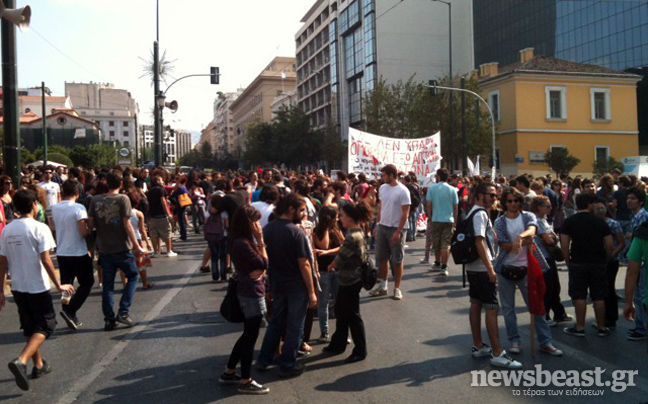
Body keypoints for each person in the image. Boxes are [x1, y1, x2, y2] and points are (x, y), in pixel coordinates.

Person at [0, 189, 74, 391]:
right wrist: (59, 285)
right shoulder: (40, 228)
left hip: (17, 287)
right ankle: (22, 360)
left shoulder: (7, 229)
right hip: (37, 286)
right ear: (34, 205)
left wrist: (0, 290)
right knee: (46, 325)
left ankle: (38, 365)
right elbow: (46, 259)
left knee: (30, 326)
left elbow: (2, 262)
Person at [493, 188, 563, 356]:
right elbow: (504, 245)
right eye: (509, 201)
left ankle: (545, 342)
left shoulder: (527, 216)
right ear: (504, 203)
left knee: (537, 306)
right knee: (509, 309)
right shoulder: (499, 222)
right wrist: (524, 242)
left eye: (516, 200)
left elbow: (533, 230)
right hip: (506, 269)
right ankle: (514, 341)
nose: (513, 204)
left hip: (527, 268)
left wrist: (519, 238)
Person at [256, 194, 317, 378]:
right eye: (301, 210)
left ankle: (264, 360)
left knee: (276, 322)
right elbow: (304, 264)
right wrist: (312, 291)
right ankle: (287, 363)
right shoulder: (295, 232)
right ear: (291, 209)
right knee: (294, 325)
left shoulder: (268, 229)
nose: (304, 213)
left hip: (277, 283)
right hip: (296, 285)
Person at [464, 183, 521, 369]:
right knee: (491, 308)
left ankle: (478, 345)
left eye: (496, 196)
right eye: (492, 195)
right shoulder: (479, 214)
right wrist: (490, 268)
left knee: (475, 303)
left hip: (474, 267)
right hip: (481, 268)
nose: (495, 199)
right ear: (481, 195)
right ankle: (497, 352)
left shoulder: (474, 212)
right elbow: (479, 241)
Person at [219, 205, 270, 395]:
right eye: (255, 221)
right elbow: (264, 261)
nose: (258, 225)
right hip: (251, 292)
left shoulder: (240, 240)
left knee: (248, 334)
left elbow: (261, 265)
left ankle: (229, 371)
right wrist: (261, 241)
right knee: (251, 336)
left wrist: (262, 266)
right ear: (247, 222)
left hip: (249, 289)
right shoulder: (242, 243)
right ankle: (245, 379)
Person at [88, 172, 145, 331]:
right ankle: (123, 312)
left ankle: (108, 319)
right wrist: (136, 245)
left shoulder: (95, 199)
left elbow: (90, 223)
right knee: (133, 276)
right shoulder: (123, 199)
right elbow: (127, 224)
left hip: (104, 248)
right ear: (120, 184)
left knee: (108, 285)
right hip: (122, 247)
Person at [322, 201, 372, 363]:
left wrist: (329, 266)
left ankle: (360, 350)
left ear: (350, 217)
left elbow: (339, 260)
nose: (339, 219)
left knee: (352, 315)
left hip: (351, 280)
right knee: (342, 311)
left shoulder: (352, 237)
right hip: (349, 279)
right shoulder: (356, 232)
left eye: (342, 216)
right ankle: (338, 343)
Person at [560, 192, 613, 337]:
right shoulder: (600, 221)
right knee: (599, 296)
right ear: (589, 204)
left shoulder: (569, 221)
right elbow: (609, 244)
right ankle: (601, 327)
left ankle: (580, 327)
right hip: (598, 262)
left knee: (579, 295)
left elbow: (564, 246)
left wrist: (568, 262)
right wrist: (606, 259)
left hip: (578, 261)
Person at [51, 180, 93, 330]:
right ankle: (70, 310)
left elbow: (52, 226)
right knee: (87, 283)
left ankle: (69, 314)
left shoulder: (54, 208)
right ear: (77, 193)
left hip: (62, 251)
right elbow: (83, 232)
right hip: (78, 251)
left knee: (67, 285)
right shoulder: (78, 207)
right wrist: (91, 228)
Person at [369, 164, 411, 300]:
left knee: (397, 259)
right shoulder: (382, 188)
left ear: (391, 175)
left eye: (384, 175)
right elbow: (381, 207)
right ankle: (383, 286)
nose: (382, 177)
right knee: (382, 258)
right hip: (383, 227)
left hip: (396, 228)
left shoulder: (403, 191)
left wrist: (398, 231)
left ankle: (397, 288)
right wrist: (377, 224)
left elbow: (405, 214)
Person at [529, 195, 571, 327]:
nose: (550, 208)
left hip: (549, 257)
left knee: (554, 287)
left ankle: (559, 313)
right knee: (547, 288)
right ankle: (545, 315)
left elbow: (553, 237)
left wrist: (554, 238)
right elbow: (548, 239)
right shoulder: (536, 220)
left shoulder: (544, 219)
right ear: (539, 207)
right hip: (542, 258)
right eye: (547, 206)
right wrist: (554, 238)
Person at [592, 197, 625, 328]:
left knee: (609, 289)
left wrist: (611, 255)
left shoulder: (613, 224)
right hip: (596, 261)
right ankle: (602, 318)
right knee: (599, 290)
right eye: (597, 208)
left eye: (602, 208)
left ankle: (611, 318)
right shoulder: (592, 224)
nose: (600, 211)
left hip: (611, 261)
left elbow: (621, 243)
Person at [313, 206, 344, 343]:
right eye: (336, 216)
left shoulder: (337, 230)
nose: (338, 218)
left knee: (340, 302)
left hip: (337, 270)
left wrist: (330, 252)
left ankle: (342, 332)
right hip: (324, 271)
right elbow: (324, 246)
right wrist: (325, 228)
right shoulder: (317, 231)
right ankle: (324, 332)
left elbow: (344, 246)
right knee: (323, 303)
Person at [625, 186, 648, 341]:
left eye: (633, 198)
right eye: (628, 198)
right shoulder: (637, 216)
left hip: (640, 261)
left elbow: (631, 272)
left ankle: (641, 328)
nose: (629, 201)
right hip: (639, 257)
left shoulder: (642, 218)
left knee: (641, 295)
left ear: (641, 201)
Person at [425, 168, 458, 276]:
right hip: (448, 219)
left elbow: (429, 205)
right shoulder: (453, 190)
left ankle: (438, 262)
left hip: (435, 219)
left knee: (436, 242)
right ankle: (444, 266)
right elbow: (455, 207)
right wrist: (455, 221)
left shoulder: (432, 188)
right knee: (446, 243)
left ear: (438, 176)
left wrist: (429, 217)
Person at [146, 176, 176, 257]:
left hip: (152, 215)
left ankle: (156, 252)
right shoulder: (161, 189)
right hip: (161, 214)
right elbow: (163, 201)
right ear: (158, 181)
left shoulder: (150, 190)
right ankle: (169, 251)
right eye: (161, 180)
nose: (163, 181)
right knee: (167, 232)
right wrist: (168, 214)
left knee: (154, 234)